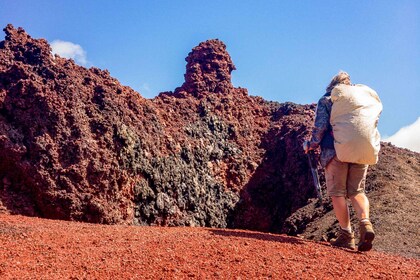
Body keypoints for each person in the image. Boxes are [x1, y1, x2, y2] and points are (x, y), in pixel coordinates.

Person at [303, 71, 375, 251]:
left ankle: (346, 234)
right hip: (361, 150)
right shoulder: (359, 102)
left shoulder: (328, 99)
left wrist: (311, 144)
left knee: (338, 193)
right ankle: (365, 223)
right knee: (357, 191)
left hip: (335, 151)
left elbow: (320, 127)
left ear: (332, 85)